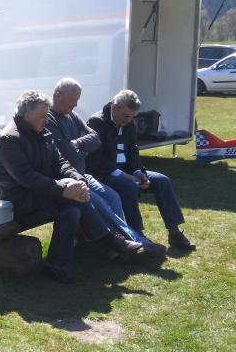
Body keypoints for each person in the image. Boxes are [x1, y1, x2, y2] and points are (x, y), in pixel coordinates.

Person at [0, 90, 144, 284]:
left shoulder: (42, 132)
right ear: (27, 116)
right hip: (19, 201)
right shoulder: (10, 139)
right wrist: (64, 190)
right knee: (72, 201)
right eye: (43, 116)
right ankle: (110, 241)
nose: (47, 120)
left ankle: (57, 266)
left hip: (41, 195)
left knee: (72, 209)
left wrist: (79, 180)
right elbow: (27, 178)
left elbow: (61, 163)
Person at [45, 78, 165, 259]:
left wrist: (77, 144)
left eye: (77, 100)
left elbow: (95, 139)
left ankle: (120, 245)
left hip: (82, 174)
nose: (75, 104)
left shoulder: (72, 116)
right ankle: (133, 246)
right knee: (101, 202)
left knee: (113, 197)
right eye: (72, 100)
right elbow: (67, 153)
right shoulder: (49, 119)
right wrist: (82, 150)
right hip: (67, 178)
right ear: (58, 96)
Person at [86, 90, 196, 251]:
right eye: (125, 115)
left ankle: (174, 232)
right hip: (104, 174)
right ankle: (137, 235)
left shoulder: (129, 124)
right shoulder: (96, 122)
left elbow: (133, 152)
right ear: (114, 107)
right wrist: (124, 175)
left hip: (126, 172)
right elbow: (95, 159)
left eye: (132, 116)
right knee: (128, 185)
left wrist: (138, 172)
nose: (129, 120)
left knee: (162, 181)